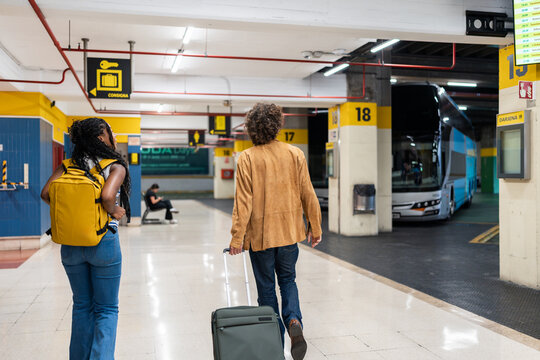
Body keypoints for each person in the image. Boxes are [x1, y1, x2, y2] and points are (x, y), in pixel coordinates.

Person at [229, 103, 322, 360]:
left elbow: (243, 203)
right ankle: (294, 321)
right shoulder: (295, 154)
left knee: (267, 291)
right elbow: (307, 193)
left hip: (260, 238)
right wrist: (315, 226)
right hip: (289, 233)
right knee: (288, 280)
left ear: (251, 129)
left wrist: (237, 238)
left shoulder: (247, 158)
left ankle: (272, 343)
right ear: (277, 125)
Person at [41, 117, 130, 360]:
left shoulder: (68, 165)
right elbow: (107, 196)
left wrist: (71, 214)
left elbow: (46, 193)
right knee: (107, 309)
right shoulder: (115, 166)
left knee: (82, 305)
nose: (113, 136)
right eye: (110, 132)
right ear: (102, 137)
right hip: (103, 243)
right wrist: (115, 211)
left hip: (70, 245)